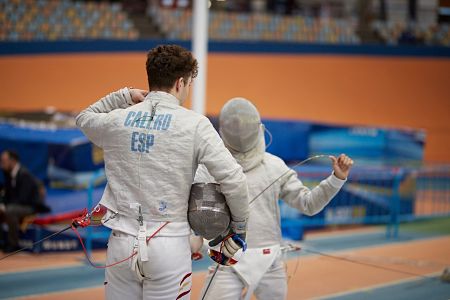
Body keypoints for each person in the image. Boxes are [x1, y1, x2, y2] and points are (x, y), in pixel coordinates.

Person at [75, 44, 249, 300]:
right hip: (169, 246)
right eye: (189, 84)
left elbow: (84, 117)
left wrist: (124, 96)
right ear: (180, 83)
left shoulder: (117, 119)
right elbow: (233, 179)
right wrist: (239, 228)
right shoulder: (196, 124)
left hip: (121, 245)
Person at [196, 98, 354, 300]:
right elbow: (198, 218)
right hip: (227, 261)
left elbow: (308, 203)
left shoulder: (273, 167)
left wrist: (336, 179)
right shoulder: (211, 168)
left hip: (269, 262)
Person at [0, 150, 43, 252]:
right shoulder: (8, 173)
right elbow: (7, 194)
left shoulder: (24, 174)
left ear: (12, 161)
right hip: (17, 205)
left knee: (10, 210)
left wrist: (4, 206)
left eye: (4, 161)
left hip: (30, 206)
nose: (2, 164)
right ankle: (2, 242)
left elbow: (23, 199)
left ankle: (13, 244)